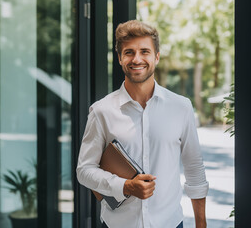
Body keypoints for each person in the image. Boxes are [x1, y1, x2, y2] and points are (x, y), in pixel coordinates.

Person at [76, 20, 209, 228]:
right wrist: (125, 186)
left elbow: (194, 168)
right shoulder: (101, 111)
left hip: (170, 223)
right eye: (129, 52)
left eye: (144, 51)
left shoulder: (181, 107)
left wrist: (201, 224)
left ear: (156, 56)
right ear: (120, 58)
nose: (137, 59)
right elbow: (84, 170)